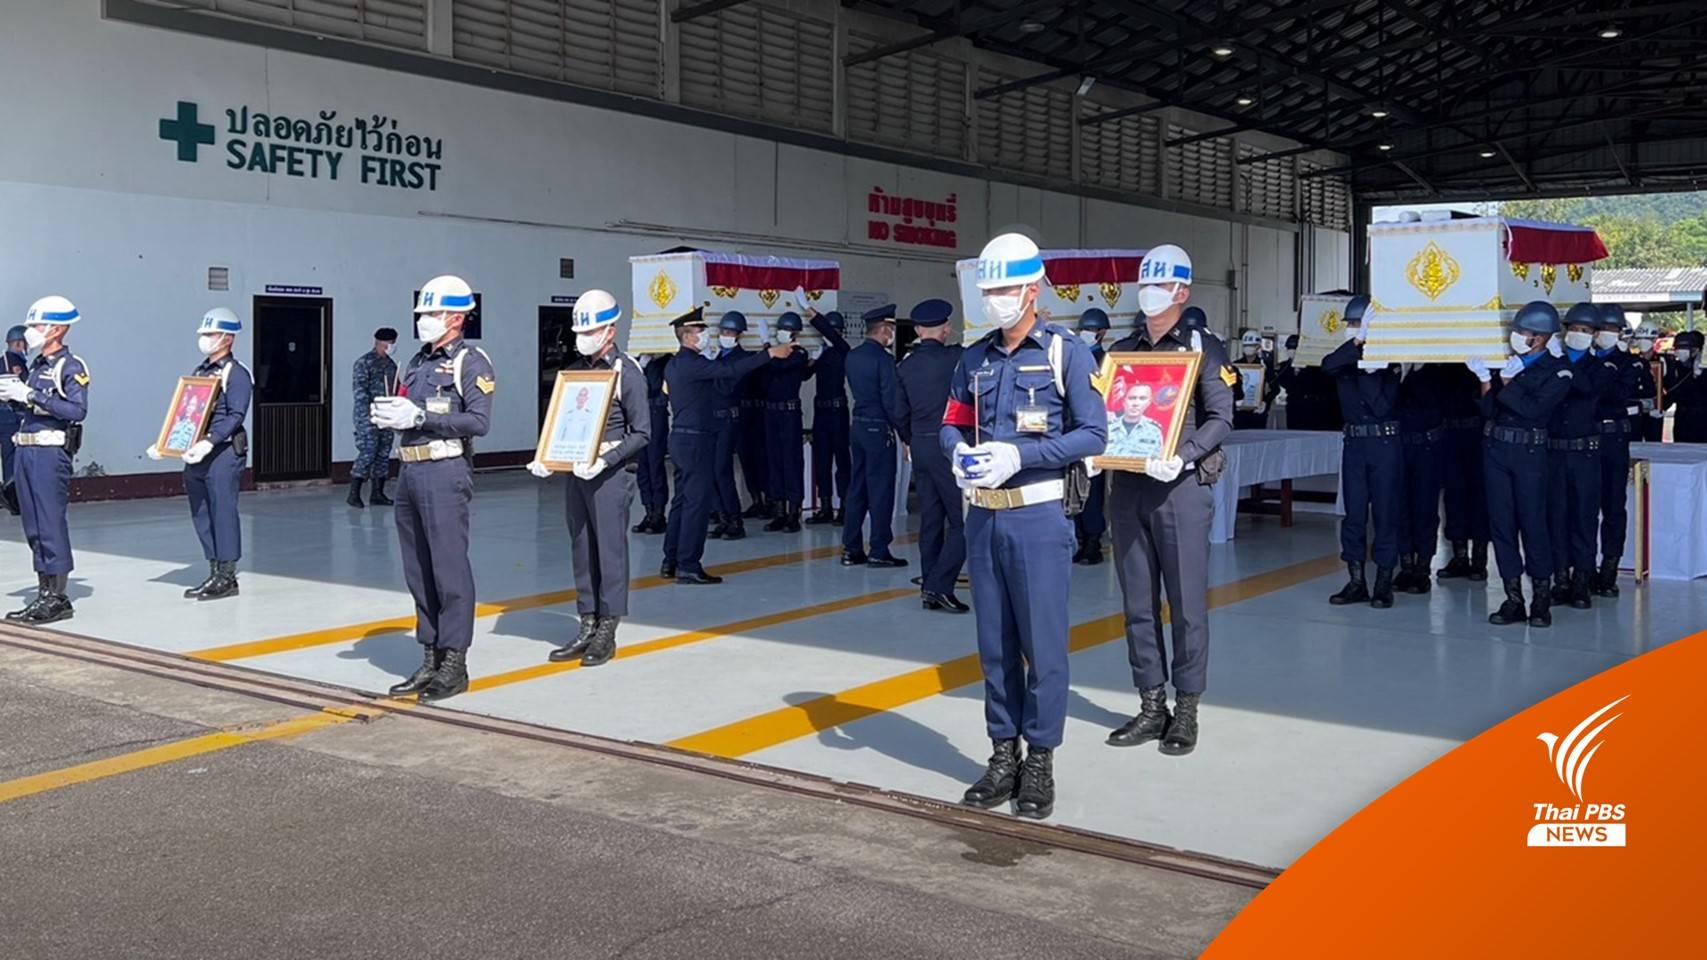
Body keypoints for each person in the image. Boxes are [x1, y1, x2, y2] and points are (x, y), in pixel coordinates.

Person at [944, 232, 1105, 819]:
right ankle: (1001, 754)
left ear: (1032, 290)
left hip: (1038, 516)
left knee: (1043, 645)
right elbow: (952, 421)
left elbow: (1093, 435)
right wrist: (958, 453)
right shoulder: (975, 357)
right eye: (988, 291)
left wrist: (1021, 455)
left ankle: (1040, 759)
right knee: (995, 647)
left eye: (1004, 289)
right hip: (984, 515)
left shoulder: (1066, 353)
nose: (995, 300)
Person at [1103, 244, 1234, 759]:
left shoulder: (1206, 347)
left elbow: (1223, 416)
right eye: (1144, 284)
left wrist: (1185, 455)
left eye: (1160, 285)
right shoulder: (1124, 347)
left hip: (1180, 489)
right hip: (1130, 485)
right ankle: (1150, 703)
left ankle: (1186, 709)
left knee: (1185, 603)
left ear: (1182, 292)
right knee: (1137, 603)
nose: (1149, 294)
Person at [371, 275, 494, 701]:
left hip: (444, 470)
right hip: (409, 472)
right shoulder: (417, 362)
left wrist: (420, 417)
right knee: (418, 570)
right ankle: (430, 654)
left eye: (432, 314)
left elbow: (479, 422)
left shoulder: (471, 362)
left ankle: (455, 662)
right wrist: (390, 414)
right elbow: (406, 405)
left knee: (448, 569)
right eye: (421, 313)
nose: (423, 321)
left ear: (457, 317)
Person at [527, 289, 649, 667]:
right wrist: (548, 457)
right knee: (581, 547)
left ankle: (608, 629)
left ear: (609, 331)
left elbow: (642, 433)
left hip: (609, 472)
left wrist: (607, 458)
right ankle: (587, 620)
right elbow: (563, 421)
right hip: (576, 470)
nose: (585, 338)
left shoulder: (626, 372)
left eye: (591, 330)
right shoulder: (576, 371)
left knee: (609, 550)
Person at [1466, 300, 1573, 629]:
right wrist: (1485, 379)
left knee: (1533, 524)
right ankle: (1513, 598)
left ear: (1539, 338)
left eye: (1522, 332)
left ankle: (1541, 597)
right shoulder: (1512, 363)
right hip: (1497, 449)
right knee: (1501, 524)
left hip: (1529, 454)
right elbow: (1488, 411)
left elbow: (1534, 412)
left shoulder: (1559, 370)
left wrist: (1508, 383)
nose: (1516, 337)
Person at [661, 310, 788, 583]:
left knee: (681, 501)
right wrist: (768, 354)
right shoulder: (693, 364)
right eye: (700, 331)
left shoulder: (674, 364)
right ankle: (688, 564)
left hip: (680, 439)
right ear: (689, 335)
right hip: (697, 440)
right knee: (696, 503)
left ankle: (670, 559)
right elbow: (730, 370)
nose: (705, 335)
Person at [145, 307, 253, 601]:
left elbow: (236, 415)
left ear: (228, 338)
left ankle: (227, 575)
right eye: (203, 334)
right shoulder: (200, 371)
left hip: (222, 452)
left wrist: (211, 440)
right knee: (201, 511)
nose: (205, 339)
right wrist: (167, 442)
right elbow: (186, 412)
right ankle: (213, 568)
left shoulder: (237, 373)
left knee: (222, 510)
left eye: (211, 334)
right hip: (196, 452)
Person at [0, 297, 90, 624]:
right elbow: (34, 411)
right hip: (26, 450)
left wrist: (32, 395)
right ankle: (43, 592)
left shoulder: (71, 366)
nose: (33, 332)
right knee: (34, 526)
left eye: (38, 326)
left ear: (58, 329)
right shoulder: (37, 365)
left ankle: (58, 598)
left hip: (50, 454)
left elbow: (77, 410)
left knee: (50, 522)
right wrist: (14, 397)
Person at [1321, 296, 1402, 609]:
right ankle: (1356, 580)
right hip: (1355, 445)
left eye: (1357, 323)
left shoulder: (1389, 363)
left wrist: (1370, 373)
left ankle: (1383, 581)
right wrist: (1358, 343)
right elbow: (1327, 365)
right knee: (1353, 514)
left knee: (1385, 513)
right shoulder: (1346, 358)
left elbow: (1383, 407)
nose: (1353, 328)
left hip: (1384, 445)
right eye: (1352, 324)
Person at [895, 298, 966, 613]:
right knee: (964, 521)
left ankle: (929, 583)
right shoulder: (956, 357)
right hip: (947, 443)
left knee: (931, 520)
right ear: (945, 328)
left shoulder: (905, 365)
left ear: (919, 330)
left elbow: (897, 410)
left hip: (919, 446)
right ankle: (939, 586)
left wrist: (908, 439)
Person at [1545, 304, 1617, 611]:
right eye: (1574, 328)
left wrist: (1563, 363)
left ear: (1596, 335)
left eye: (1586, 331)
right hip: (1554, 453)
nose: (1578, 335)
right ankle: (1560, 579)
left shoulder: (1601, 367)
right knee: (1556, 518)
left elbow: (1587, 389)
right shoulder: (1550, 361)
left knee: (1584, 519)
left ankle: (1582, 582)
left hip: (1585, 454)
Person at [841, 304, 907, 567]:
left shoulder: (853, 356)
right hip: (879, 428)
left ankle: (851, 547)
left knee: (857, 487)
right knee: (880, 489)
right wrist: (905, 434)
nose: (891, 334)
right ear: (884, 330)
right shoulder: (884, 359)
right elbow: (891, 401)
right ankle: (879, 548)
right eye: (891, 329)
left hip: (857, 426)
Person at [1591, 304, 1650, 597]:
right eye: (1601, 329)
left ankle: (1609, 571)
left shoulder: (1630, 364)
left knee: (1613, 509)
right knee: (1583, 510)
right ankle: (1583, 570)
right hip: (1587, 441)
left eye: (1612, 330)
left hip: (1614, 441)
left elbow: (1616, 397)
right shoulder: (1582, 360)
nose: (1605, 334)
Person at [1394, 364, 1450, 594]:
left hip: (1428, 446)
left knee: (1425, 508)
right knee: (1400, 507)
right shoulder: (1392, 369)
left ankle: (1423, 567)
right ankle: (1406, 565)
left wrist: (1412, 373)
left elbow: (1434, 402)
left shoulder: (1436, 370)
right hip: (1399, 445)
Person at [1434, 363, 1490, 581]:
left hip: (1477, 431)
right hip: (1448, 431)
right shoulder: (1443, 359)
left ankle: (1479, 558)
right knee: (1454, 495)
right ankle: (1459, 556)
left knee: (1479, 494)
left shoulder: (1481, 356)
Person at [709, 311, 756, 540]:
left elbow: (727, 389)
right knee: (711, 470)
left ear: (738, 335)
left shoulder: (741, 360)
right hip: (712, 419)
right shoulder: (716, 357)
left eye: (729, 332)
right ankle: (723, 517)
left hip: (729, 418)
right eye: (723, 331)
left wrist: (711, 368)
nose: (725, 335)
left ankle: (735, 519)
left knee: (721, 469)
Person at [762, 312, 810, 532]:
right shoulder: (772, 354)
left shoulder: (799, 354)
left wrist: (766, 349)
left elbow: (779, 367)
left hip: (789, 414)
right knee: (773, 461)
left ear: (795, 333)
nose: (782, 332)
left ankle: (793, 512)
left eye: (787, 329)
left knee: (791, 461)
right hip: (771, 413)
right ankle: (779, 510)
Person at [805, 310, 851, 525]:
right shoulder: (822, 352)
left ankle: (844, 506)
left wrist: (812, 313)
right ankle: (824, 507)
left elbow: (833, 337)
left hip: (837, 412)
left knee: (842, 461)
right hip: (821, 412)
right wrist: (813, 360)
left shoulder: (843, 350)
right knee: (821, 461)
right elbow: (804, 376)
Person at [1073, 308, 1110, 565]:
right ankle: (1081, 540)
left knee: (1093, 491)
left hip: (1096, 432)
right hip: (1074, 432)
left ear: (1102, 333)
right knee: (1075, 488)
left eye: (1092, 330)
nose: (1086, 334)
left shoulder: (1108, 361)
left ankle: (1093, 542)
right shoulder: (1074, 357)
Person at [348, 328, 399, 507]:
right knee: (368, 452)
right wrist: (370, 412)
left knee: (383, 452)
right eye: (389, 343)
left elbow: (395, 389)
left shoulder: (392, 365)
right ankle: (354, 493)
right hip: (367, 415)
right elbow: (360, 391)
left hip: (386, 415)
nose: (392, 346)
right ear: (378, 342)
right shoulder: (364, 363)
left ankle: (377, 493)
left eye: (393, 342)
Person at [632, 351, 671, 534]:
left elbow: (655, 386)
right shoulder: (638, 360)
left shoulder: (666, 360)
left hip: (656, 411)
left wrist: (648, 365)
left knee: (655, 463)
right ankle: (648, 510)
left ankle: (659, 513)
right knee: (643, 466)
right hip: (639, 413)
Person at [1274, 333, 1343, 432]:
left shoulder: (1313, 365)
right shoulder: (1284, 366)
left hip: (1310, 409)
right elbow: (1284, 382)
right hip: (1294, 407)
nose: (1292, 351)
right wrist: (1294, 370)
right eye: (1290, 348)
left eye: (1295, 348)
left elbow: (1316, 384)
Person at [1, 325, 28, 515]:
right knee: (12, 457)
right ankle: (13, 499)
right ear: (19, 343)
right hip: (9, 416)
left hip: (6, 414)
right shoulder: (12, 363)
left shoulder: (5, 360)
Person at [1104, 382, 1165, 457]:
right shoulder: (1107, 428)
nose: (1136, 403)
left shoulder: (1154, 432)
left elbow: (1157, 459)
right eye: (1132, 398)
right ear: (1124, 401)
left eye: (1142, 398)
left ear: (1148, 403)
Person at [1231, 330, 1276, 430]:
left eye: (1252, 346)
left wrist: (1266, 402)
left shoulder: (1265, 367)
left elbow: (1275, 388)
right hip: (1239, 413)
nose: (1249, 348)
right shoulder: (1235, 365)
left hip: (1258, 413)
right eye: (1246, 346)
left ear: (1258, 347)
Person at [1667, 331, 1707, 443]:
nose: (1679, 351)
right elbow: (1672, 390)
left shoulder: (1702, 368)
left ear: (1695, 350)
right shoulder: (1676, 367)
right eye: (1677, 348)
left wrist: (1700, 375)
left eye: (1683, 348)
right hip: (1682, 418)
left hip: (1702, 419)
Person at [1631, 324, 1667, 442]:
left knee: (1655, 447)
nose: (1643, 342)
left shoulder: (1665, 361)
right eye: (1640, 338)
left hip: (1654, 413)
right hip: (1634, 412)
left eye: (1646, 339)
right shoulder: (1631, 360)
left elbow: (1672, 386)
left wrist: (1663, 407)